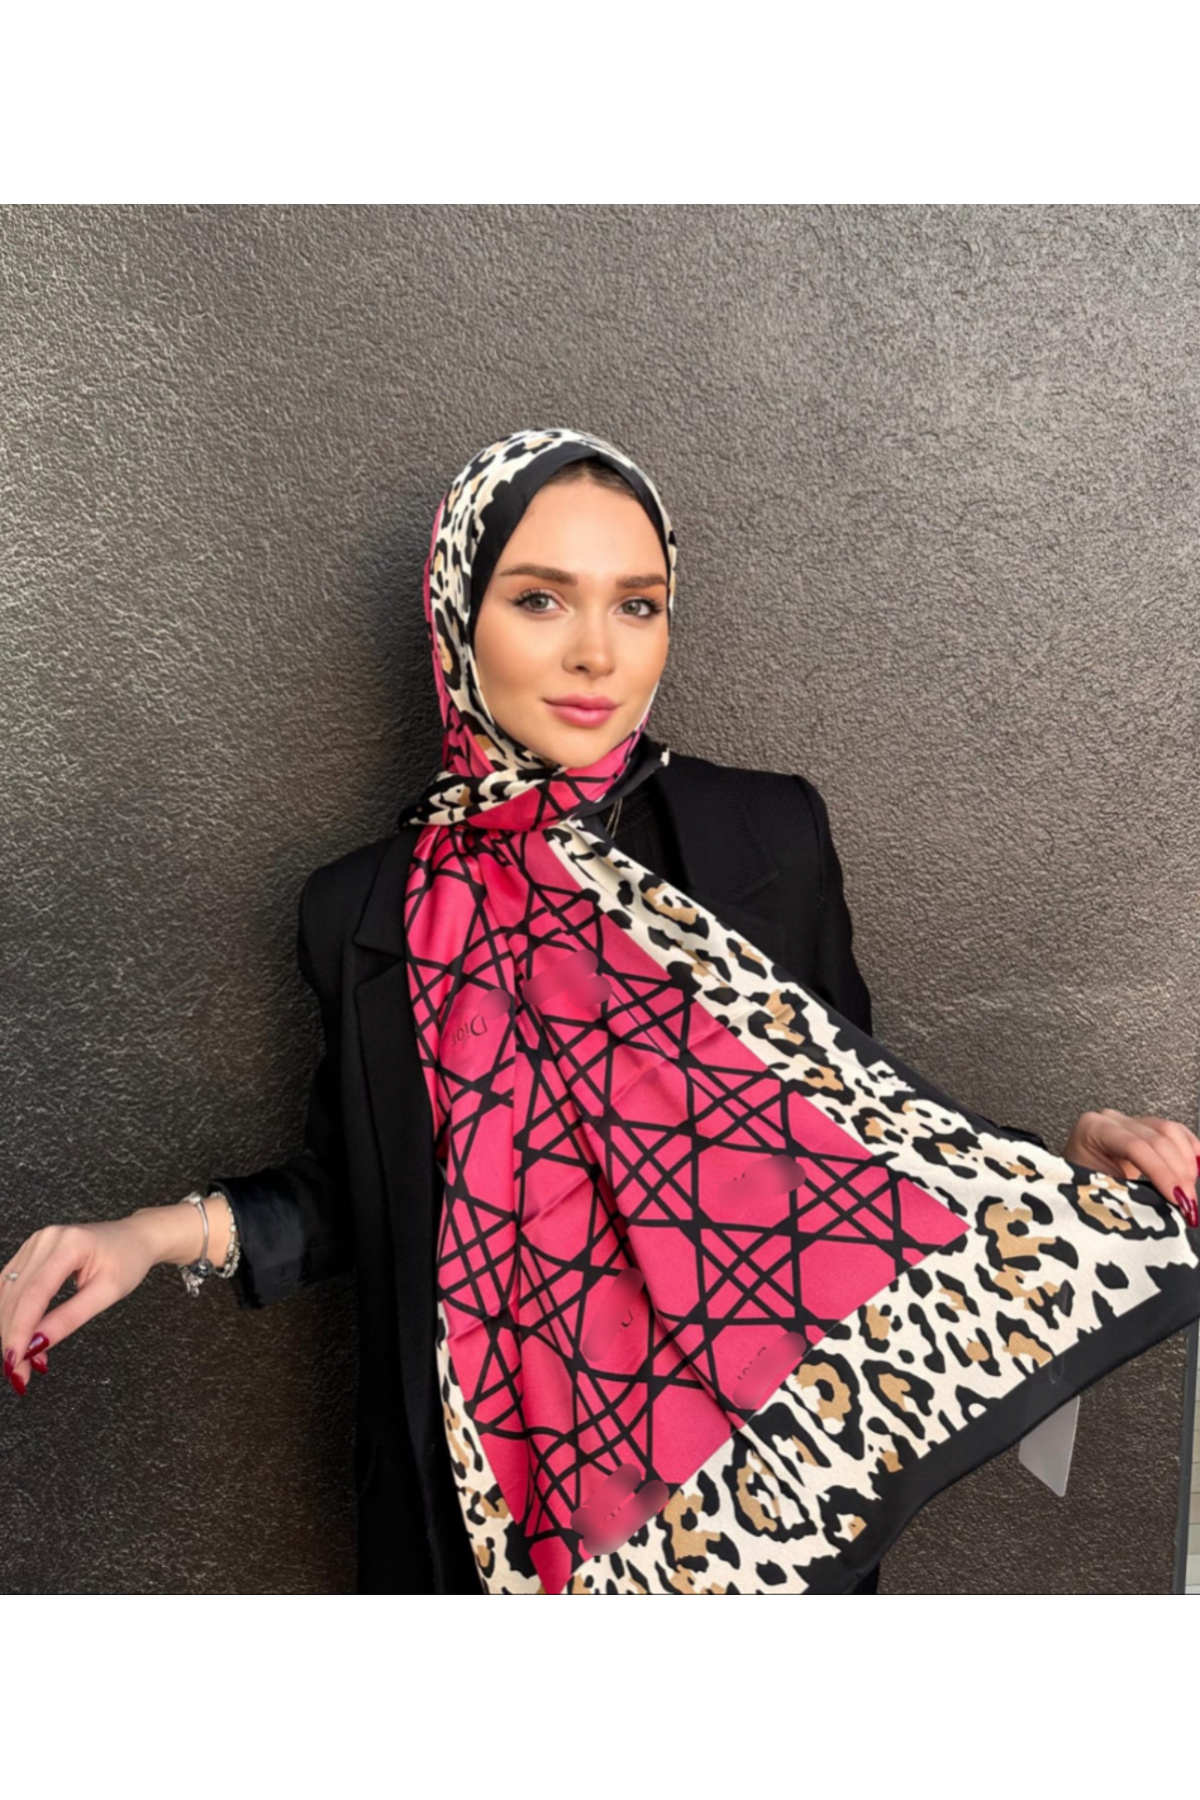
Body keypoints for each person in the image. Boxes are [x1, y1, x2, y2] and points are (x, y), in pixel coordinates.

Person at [3, 427, 1199, 1597]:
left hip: (762, 1508)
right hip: (481, 1523)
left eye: (638, 604)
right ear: (457, 616)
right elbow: (369, 1194)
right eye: (539, 599)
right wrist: (149, 1237)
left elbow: (852, 1138)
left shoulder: (762, 836)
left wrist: (1061, 1171)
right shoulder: (360, 909)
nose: (596, 654)